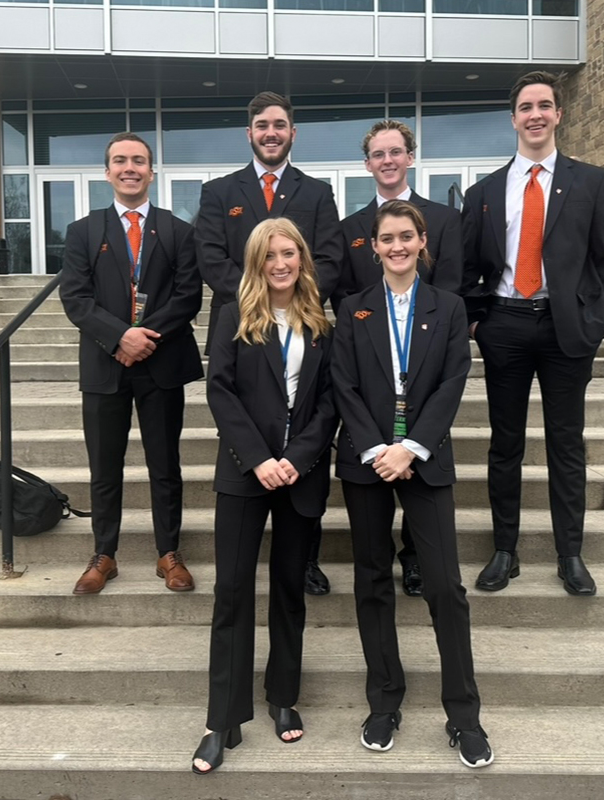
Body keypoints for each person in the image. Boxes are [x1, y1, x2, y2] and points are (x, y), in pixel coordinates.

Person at [332, 200, 492, 768]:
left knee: (446, 585)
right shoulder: (352, 310)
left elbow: (453, 379)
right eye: (386, 238)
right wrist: (379, 449)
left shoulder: (447, 307)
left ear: (423, 241)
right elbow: (343, 386)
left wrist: (411, 448)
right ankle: (384, 702)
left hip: (424, 458)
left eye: (407, 236)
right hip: (366, 462)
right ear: (372, 247)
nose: (397, 246)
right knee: (373, 582)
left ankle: (464, 714)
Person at [461, 70, 604, 596]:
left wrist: (598, 321)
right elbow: (467, 267)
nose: (536, 114)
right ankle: (504, 550)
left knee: (566, 443)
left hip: (565, 328)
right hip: (505, 324)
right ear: (513, 119)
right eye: (526, 106)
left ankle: (569, 555)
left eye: (545, 105)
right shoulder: (485, 190)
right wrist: (479, 321)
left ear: (558, 114)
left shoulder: (591, 181)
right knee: (505, 443)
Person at [193, 217, 338, 775]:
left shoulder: (321, 322)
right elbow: (220, 391)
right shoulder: (233, 315)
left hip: (300, 476)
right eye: (270, 255)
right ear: (257, 262)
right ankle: (221, 720)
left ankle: (283, 696)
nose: (281, 263)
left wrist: (297, 459)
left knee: (288, 592)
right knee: (231, 592)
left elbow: (329, 402)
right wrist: (258, 459)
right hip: (244, 474)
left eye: (290, 253)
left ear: (301, 258)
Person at [196, 90, 343, 597]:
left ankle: (304, 560)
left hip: (303, 319)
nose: (271, 132)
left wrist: (292, 294)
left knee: (305, 426)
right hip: (243, 328)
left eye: (280, 124)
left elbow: (329, 258)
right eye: (262, 125)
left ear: (292, 133)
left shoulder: (317, 192)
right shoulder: (219, 191)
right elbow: (212, 258)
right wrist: (258, 296)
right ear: (250, 133)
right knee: (252, 425)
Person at [60, 132, 203, 595]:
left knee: (165, 465)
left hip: (161, 365)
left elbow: (188, 297)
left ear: (151, 171)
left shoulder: (178, 231)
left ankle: (169, 554)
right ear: (107, 172)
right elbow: (76, 298)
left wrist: (142, 338)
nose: (129, 168)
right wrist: (120, 336)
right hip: (105, 366)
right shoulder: (83, 231)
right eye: (120, 161)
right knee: (105, 467)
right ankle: (104, 554)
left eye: (138, 161)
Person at [336, 119, 465, 598]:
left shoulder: (444, 220)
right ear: (367, 163)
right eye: (378, 153)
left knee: (423, 490)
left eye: (396, 151)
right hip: (372, 371)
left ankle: (415, 559)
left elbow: (449, 289)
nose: (387, 160)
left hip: (427, 361)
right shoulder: (350, 228)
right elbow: (348, 297)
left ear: (410, 157)